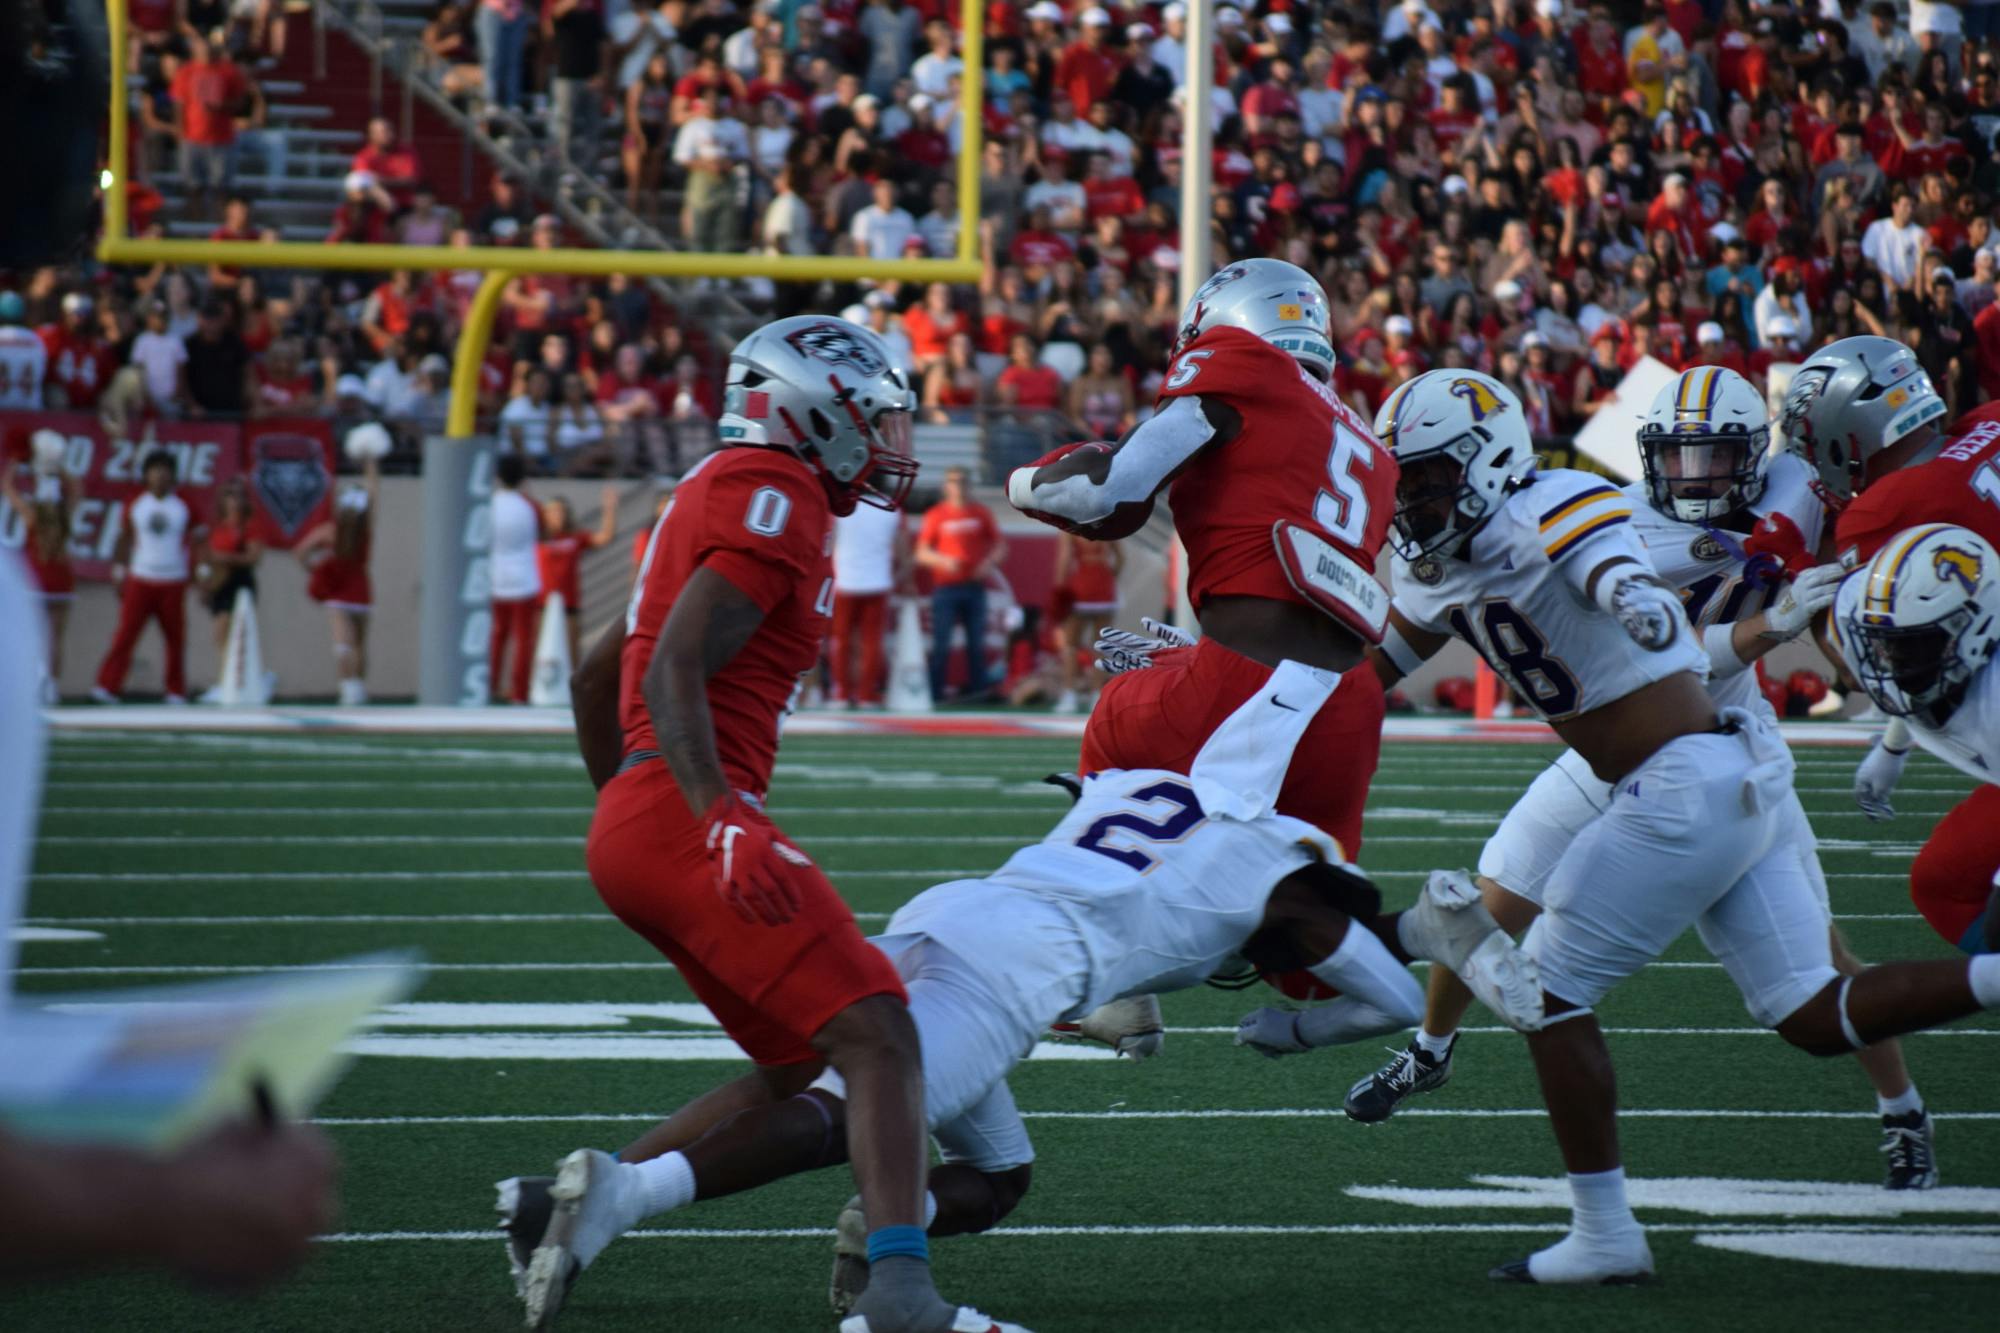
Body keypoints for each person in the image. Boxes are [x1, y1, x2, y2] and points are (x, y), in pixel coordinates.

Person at [494, 666, 1540, 1327]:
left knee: (992, 1170)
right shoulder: (1274, 863)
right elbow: (1384, 988)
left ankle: (830, 1224)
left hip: (951, 911)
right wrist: (1300, 1024)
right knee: (845, 1109)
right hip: (1012, 974)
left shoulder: (1142, 786)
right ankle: (625, 1195)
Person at [1359, 367, 2000, 1284]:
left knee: (1547, 989)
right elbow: (1367, 665)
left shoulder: (1598, 497)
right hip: (1679, 750)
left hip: (1690, 762)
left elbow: (1608, 564)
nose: (1700, 475)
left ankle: (1610, 1228)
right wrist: (1224, 668)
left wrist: (1651, 597)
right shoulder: (1463, 556)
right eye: (1405, 480)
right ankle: (1426, 1045)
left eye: (1427, 477)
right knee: (1811, 1013)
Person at [495, 317, 1027, 1333]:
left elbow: (597, 671)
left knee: (800, 1068)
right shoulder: (772, 494)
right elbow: (669, 667)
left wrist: (633, 804)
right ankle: (901, 1291)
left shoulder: (726, 488)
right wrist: (705, 812)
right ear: (808, 410)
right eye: (870, 417)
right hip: (692, 810)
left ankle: (573, 1204)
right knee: (882, 1034)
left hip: (650, 817)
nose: (887, 441)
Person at [1005, 258, 1396, 860]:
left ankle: (1100, 875)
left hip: (1246, 676)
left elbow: (1106, 489)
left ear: (1227, 322)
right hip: (1349, 703)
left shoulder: (1244, 364)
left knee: (1115, 719)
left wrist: (1024, 485)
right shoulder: (1368, 445)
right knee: (1311, 910)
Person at [1784, 336, 2000, 952]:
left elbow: (1876, 658)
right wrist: (1895, 745)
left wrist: (1800, 573)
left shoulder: (1883, 508)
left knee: (1945, 883)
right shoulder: (1991, 418)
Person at [1835, 525, 2000, 955]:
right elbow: (1909, 683)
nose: (1891, 662)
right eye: (1884, 645)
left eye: (1915, 645)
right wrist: (1892, 747)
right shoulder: (1861, 606)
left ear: (1977, 626)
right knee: (1942, 885)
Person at [93, 450, 201, 705]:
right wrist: (119, 570)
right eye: (155, 469)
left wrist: (201, 572)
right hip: (141, 578)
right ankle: (107, 686)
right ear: (146, 474)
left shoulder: (184, 505)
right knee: (125, 635)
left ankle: (175, 690)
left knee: (175, 639)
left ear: (173, 475)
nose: (161, 475)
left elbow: (199, 541)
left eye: (166, 469)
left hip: (173, 580)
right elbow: (124, 537)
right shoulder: (136, 503)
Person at [915, 467, 1004, 701]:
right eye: (954, 482)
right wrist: (944, 561)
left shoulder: (980, 513)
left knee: (976, 645)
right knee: (941, 644)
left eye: (963, 481)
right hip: (946, 588)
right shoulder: (936, 515)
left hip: (974, 587)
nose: (959, 487)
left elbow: (999, 546)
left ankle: (978, 692)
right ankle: (935, 693)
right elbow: (922, 553)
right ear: (946, 486)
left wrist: (987, 564)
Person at [297, 455, 378, 706]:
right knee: (353, 644)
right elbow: (374, 493)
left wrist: (313, 569)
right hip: (352, 590)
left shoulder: (336, 531)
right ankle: (353, 688)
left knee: (347, 644)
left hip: (351, 591)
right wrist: (371, 464)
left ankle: (350, 688)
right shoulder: (346, 531)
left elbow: (300, 551)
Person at [1, 436, 75, 702]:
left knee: (32, 635)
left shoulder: (31, 515)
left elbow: (7, 487)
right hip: (61, 579)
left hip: (37, 579)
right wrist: (57, 467)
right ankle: (51, 686)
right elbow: (77, 486)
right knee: (56, 638)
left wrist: (18, 463)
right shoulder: (66, 514)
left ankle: (35, 683)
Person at [831, 500, 907, 708]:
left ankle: (842, 693)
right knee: (871, 642)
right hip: (877, 581)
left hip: (845, 580)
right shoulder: (891, 509)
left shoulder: (841, 505)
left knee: (842, 640)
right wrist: (907, 578)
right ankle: (866, 693)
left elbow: (829, 541)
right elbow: (902, 546)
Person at [537, 486, 618, 668]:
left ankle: (571, 689)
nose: (558, 516)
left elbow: (604, 537)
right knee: (540, 650)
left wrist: (609, 509)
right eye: (553, 512)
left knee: (571, 650)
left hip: (569, 603)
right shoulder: (537, 538)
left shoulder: (574, 537)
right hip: (542, 604)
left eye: (561, 511)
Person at [488, 452, 542, 705]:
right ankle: (520, 693)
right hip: (525, 579)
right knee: (523, 640)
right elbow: (543, 534)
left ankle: (489, 687)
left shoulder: (489, 504)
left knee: (497, 637)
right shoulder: (529, 506)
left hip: (494, 579)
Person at [1049, 531, 1121, 714]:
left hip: (1080, 588)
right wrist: (1110, 576)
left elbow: (1064, 559)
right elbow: (1120, 557)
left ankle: (1070, 694)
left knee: (1070, 645)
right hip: (1104, 587)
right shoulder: (1108, 524)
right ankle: (1097, 695)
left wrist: (1059, 590)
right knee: (1101, 645)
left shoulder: (1070, 527)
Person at [199, 477, 263, 677]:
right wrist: (205, 582)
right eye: (230, 496)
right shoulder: (218, 527)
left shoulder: (249, 526)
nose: (235, 501)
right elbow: (207, 557)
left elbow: (253, 557)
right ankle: (224, 677)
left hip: (239, 581)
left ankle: (238, 678)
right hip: (220, 583)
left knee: (233, 631)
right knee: (220, 634)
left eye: (239, 496)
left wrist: (225, 558)